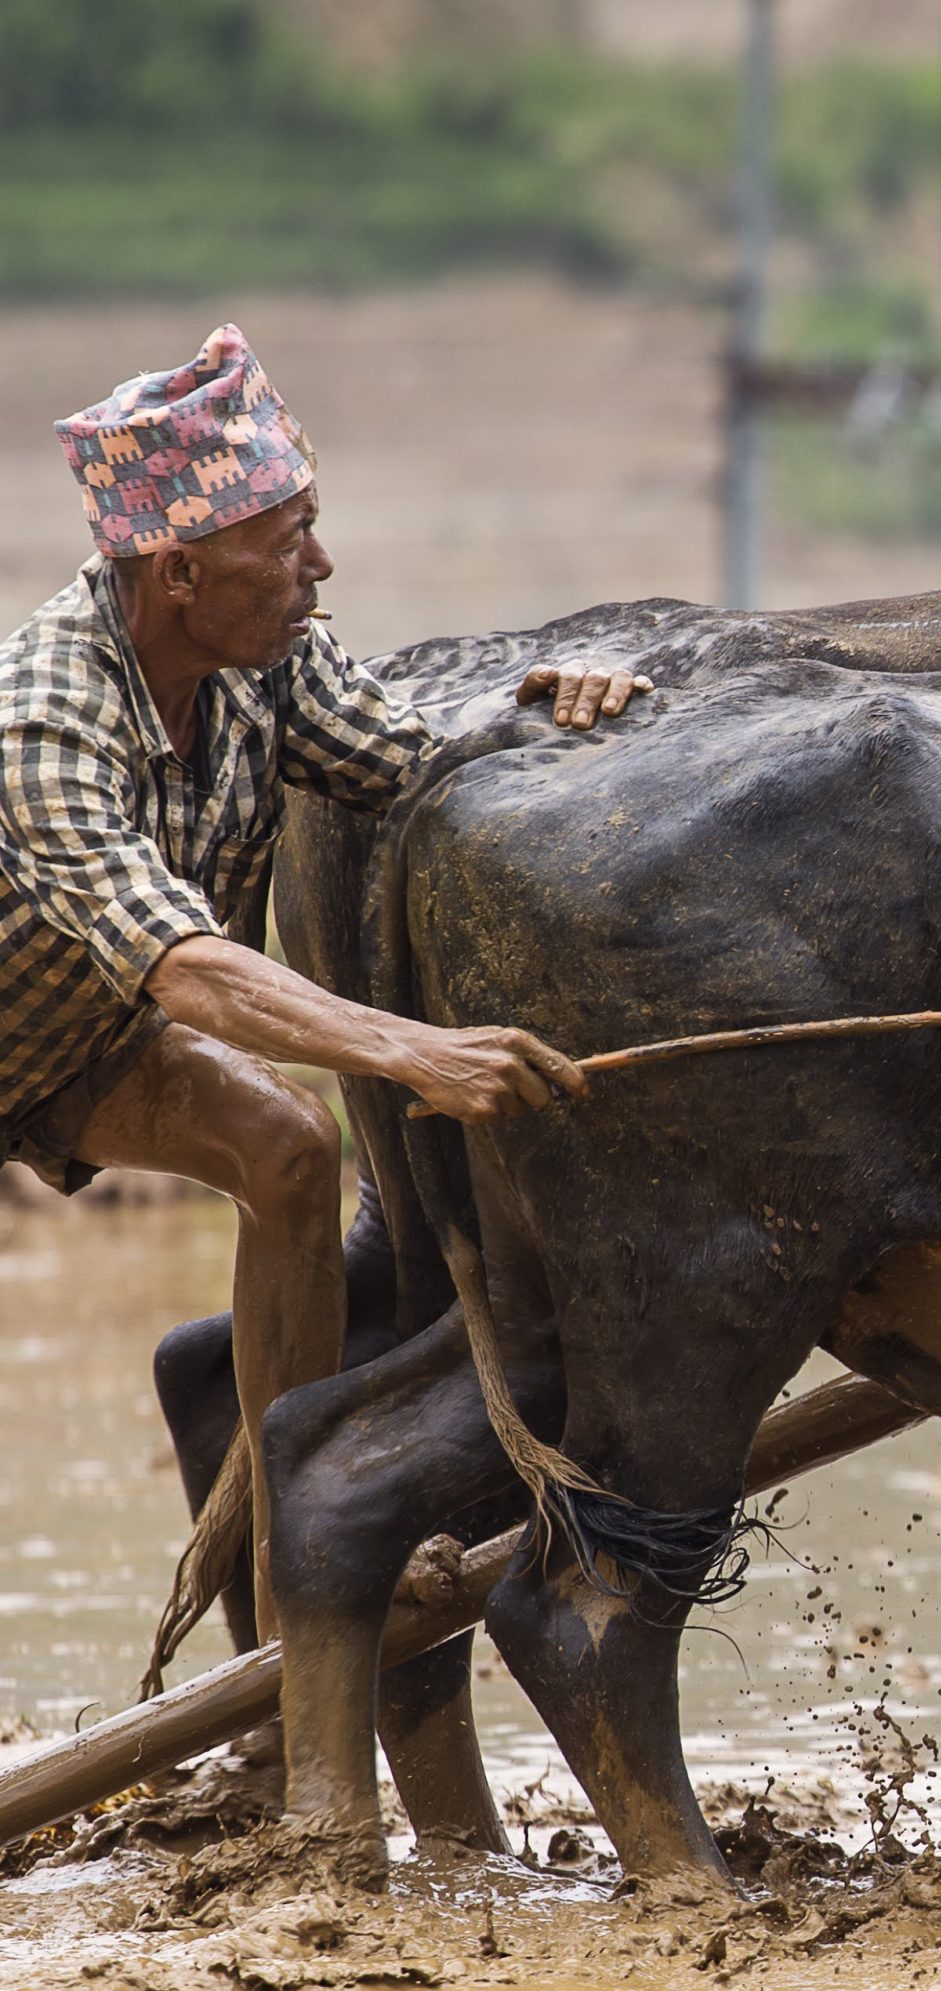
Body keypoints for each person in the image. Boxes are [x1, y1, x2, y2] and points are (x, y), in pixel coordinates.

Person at [0, 324, 649, 1626]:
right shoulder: (45, 717)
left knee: (293, 1147)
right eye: (287, 537)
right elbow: (182, 969)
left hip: (71, 1040)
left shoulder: (269, 659)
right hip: (74, 1004)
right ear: (181, 571)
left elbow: (412, 755)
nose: (321, 563)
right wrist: (417, 1051)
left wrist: (545, 704)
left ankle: (294, 1520)